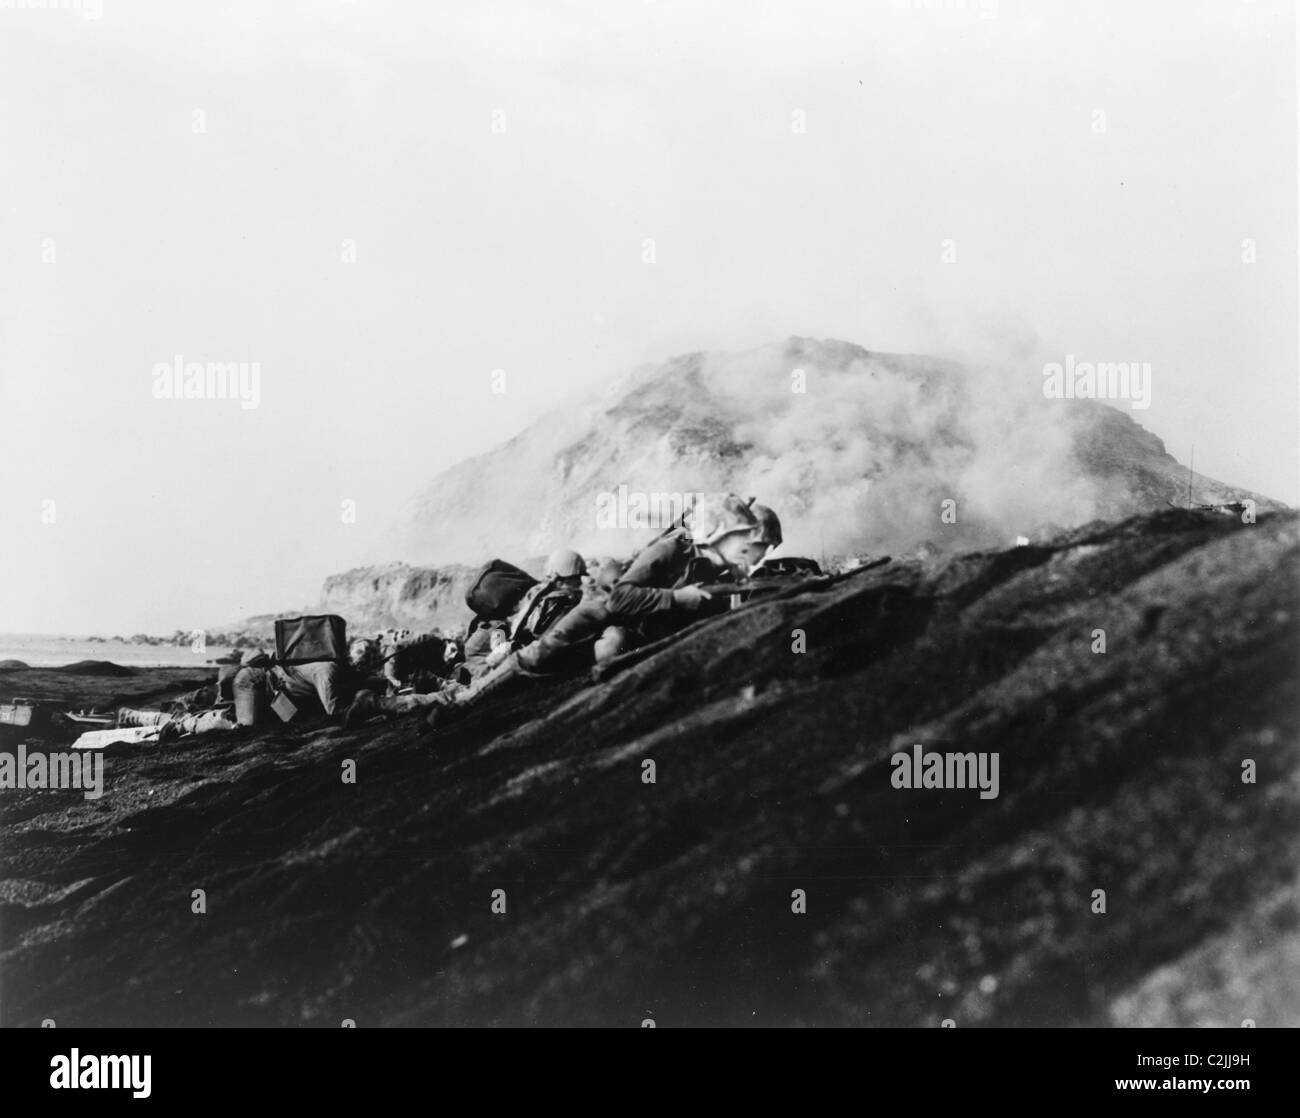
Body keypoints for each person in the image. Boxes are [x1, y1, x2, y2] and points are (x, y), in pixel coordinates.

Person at [425, 494, 782, 728]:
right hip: (600, 611)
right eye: (750, 544)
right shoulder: (673, 549)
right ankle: (462, 705)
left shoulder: (716, 563)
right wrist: (679, 599)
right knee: (537, 657)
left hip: (637, 624)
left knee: (609, 652)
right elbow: (619, 600)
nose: (752, 554)